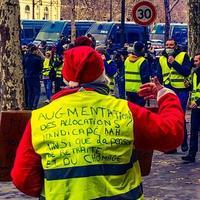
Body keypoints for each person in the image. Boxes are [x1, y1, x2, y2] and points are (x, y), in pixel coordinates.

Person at [11, 46, 184, 200]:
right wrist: (166, 95)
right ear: (102, 74)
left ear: (66, 77)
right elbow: (171, 135)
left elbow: (23, 179)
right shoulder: (124, 110)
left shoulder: (41, 117)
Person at [156, 38, 192, 153]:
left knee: (180, 116)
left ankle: (183, 141)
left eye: (171, 45)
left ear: (176, 46)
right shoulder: (161, 58)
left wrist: (174, 63)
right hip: (168, 90)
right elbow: (159, 74)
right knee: (168, 117)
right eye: (167, 45)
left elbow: (186, 71)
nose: (169, 47)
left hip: (181, 90)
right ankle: (171, 146)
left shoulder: (183, 55)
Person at [182, 53, 200, 163]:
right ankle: (191, 154)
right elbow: (194, 89)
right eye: (195, 61)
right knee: (193, 131)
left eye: (197, 61)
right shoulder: (194, 73)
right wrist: (188, 85)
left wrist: (197, 101)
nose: (195, 63)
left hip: (197, 104)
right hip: (195, 107)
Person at [124, 41, 150, 106]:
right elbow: (145, 78)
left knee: (132, 109)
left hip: (128, 90)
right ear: (142, 49)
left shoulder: (127, 60)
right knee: (139, 110)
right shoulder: (142, 61)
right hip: (140, 90)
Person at [23, 44, 44, 110]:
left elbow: (23, 65)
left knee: (30, 92)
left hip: (27, 76)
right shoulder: (37, 59)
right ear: (34, 51)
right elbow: (40, 68)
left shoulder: (26, 57)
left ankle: (29, 106)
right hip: (35, 76)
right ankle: (34, 106)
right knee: (37, 92)